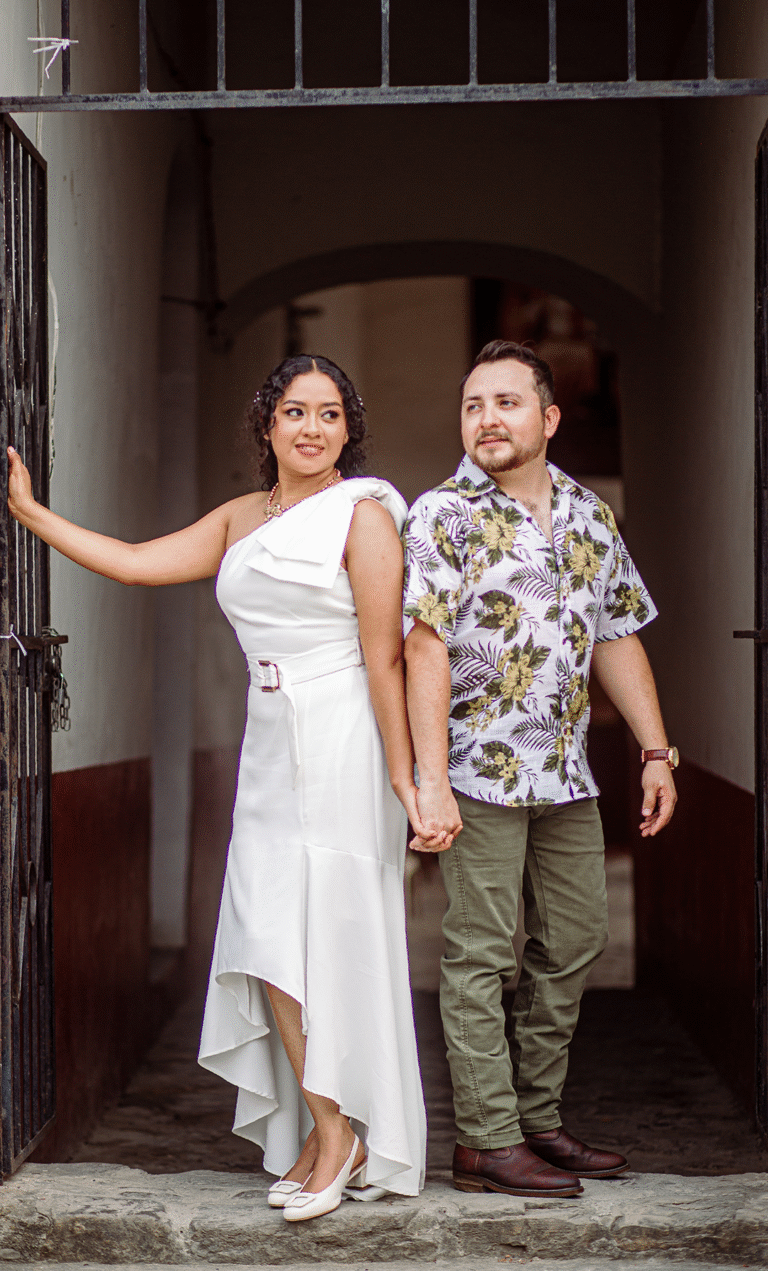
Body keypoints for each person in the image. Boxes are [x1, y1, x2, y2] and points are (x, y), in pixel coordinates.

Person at [7, 353, 429, 1221]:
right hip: (269, 736)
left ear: (348, 430)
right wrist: (31, 513)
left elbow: (387, 655)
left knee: (330, 934)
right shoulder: (244, 516)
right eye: (295, 411)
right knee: (266, 933)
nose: (312, 428)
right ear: (266, 424)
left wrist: (406, 773)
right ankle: (327, 1126)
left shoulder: (365, 514)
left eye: (330, 414)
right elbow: (135, 562)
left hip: (343, 735)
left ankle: (339, 1131)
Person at [402, 339, 677, 1200]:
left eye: (507, 401)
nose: (487, 418)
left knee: (577, 938)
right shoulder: (442, 513)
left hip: (565, 776)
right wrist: (432, 778)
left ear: (549, 418)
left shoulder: (591, 514)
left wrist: (656, 750)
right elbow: (424, 646)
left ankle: (535, 1119)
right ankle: (486, 1140)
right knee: (482, 954)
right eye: (473, 404)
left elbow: (616, 633)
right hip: (477, 773)